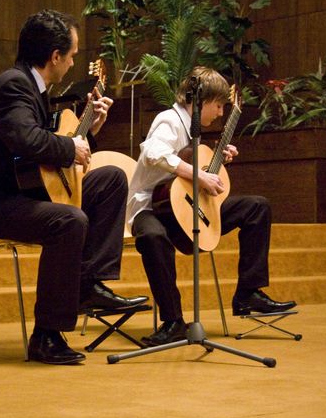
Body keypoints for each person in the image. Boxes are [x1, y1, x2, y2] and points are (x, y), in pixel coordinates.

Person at [0, 9, 146, 365]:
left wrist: (90, 131)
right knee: (69, 221)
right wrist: (71, 147)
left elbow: (41, 159)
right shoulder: (14, 85)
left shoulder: (33, 87)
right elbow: (26, 140)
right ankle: (47, 335)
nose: (73, 62)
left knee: (110, 179)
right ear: (55, 56)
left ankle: (87, 285)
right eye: (71, 55)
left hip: (23, 192)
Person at [126, 66, 296, 347]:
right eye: (218, 105)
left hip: (184, 208)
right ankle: (173, 321)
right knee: (153, 237)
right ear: (201, 101)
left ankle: (248, 293)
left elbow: (186, 170)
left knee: (257, 207)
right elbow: (154, 152)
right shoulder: (169, 120)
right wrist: (199, 174)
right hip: (151, 207)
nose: (220, 113)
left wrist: (216, 160)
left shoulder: (194, 132)